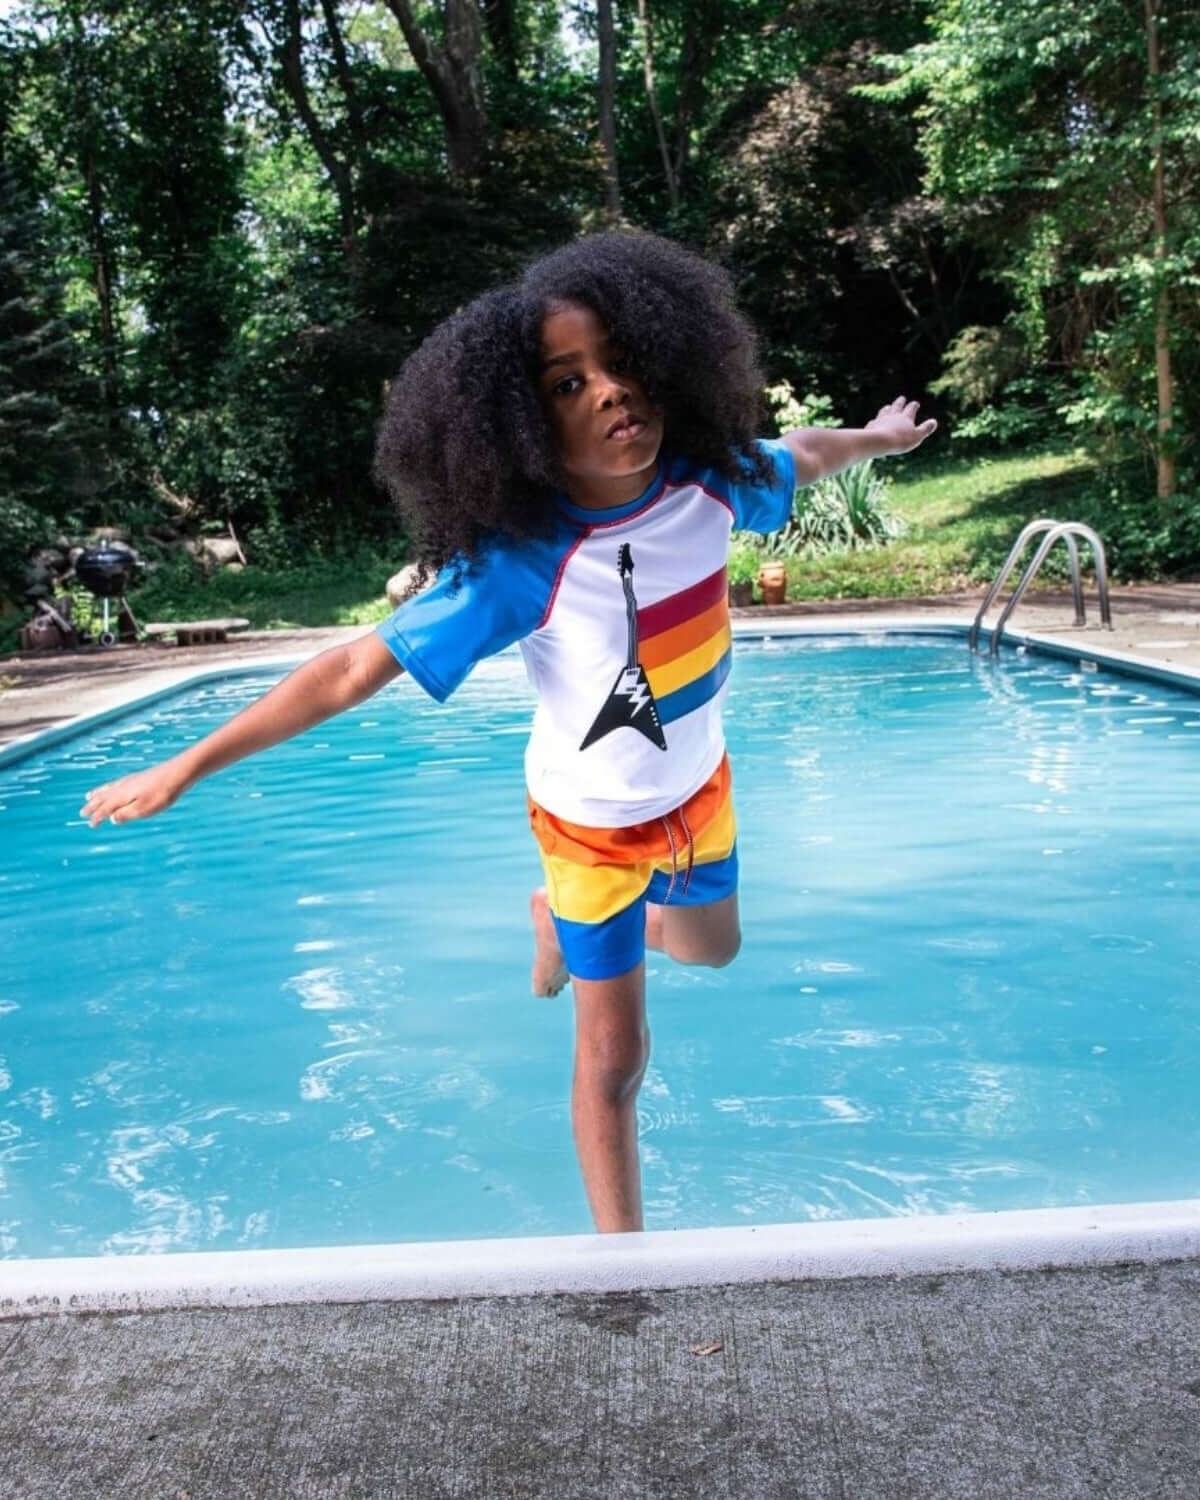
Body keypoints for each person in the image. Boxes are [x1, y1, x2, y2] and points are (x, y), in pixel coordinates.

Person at [80, 231, 936, 1234]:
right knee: (616, 1059)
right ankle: (624, 1271)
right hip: (587, 828)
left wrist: (882, 437)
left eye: (621, 362)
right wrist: (187, 764)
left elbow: (811, 452)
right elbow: (349, 670)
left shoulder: (715, 483)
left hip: (699, 794)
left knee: (714, 952)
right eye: (567, 385)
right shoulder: (520, 566)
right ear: (519, 428)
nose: (609, 391)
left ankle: (553, 924)